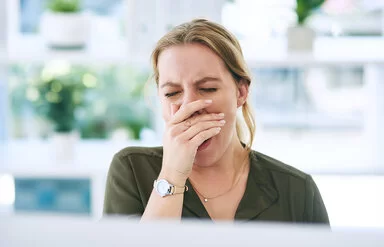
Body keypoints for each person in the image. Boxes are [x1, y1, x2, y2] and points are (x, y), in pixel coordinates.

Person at [103, 18, 329, 224]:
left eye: (207, 89)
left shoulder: (297, 190)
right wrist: (172, 175)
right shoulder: (131, 170)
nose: (190, 107)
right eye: (172, 93)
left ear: (241, 92)